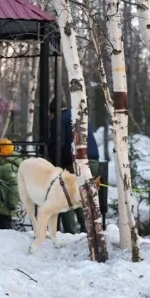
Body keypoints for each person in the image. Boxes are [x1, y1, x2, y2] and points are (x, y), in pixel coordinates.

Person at [48, 98, 101, 234]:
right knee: (84, 197)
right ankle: (88, 230)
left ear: (53, 111)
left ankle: (69, 232)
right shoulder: (79, 114)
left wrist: (54, 163)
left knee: (66, 197)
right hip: (93, 160)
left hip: (74, 162)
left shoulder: (58, 120)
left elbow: (58, 143)